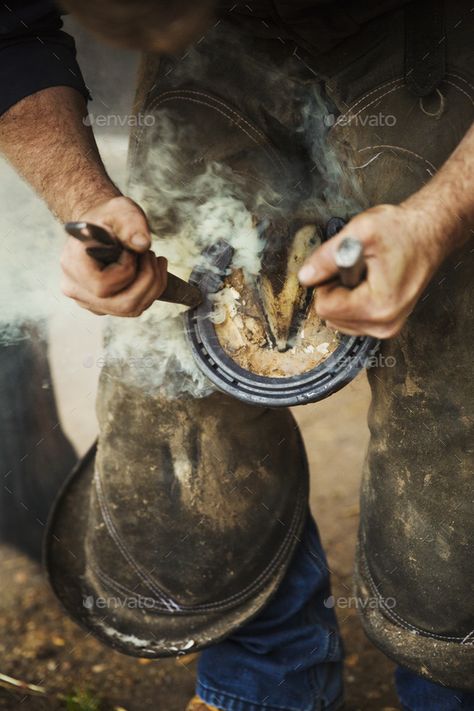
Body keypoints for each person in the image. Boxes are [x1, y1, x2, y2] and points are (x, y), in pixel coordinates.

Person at [1, 1, 473, 710]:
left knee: (452, 390)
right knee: (168, 387)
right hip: (215, 42)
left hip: (436, 28)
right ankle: (263, 680)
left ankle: (449, 677)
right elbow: (9, 33)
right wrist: (87, 199)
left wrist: (438, 218)